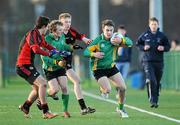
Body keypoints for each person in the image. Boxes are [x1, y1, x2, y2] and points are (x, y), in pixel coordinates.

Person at [84, 19, 132, 118]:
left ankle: (120, 108)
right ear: (103, 30)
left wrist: (122, 40)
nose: (109, 32)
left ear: (113, 30)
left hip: (111, 68)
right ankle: (103, 89)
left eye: (111, 30)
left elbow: (130, 43)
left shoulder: (116, 39)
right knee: (108, 90)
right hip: (98, 69)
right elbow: (85, 52)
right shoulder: (98, 40)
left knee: (123, 88)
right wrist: (94, 54)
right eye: (107, 30)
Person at [16, 16, 59, 119]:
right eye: (48, 27)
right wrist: (49, 54)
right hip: (23, 65)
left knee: (36, 90)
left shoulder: (39, 35)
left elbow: (45, 45)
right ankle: (46, 112)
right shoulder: (33, 34)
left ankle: (25, 107)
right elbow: (35, 49)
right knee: (43, 83)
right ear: (44, 26)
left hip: (28, 65)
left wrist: (56, 50)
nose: (48, 29)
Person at [58, 13, 96, 115]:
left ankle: (83, 108)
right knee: (55, 89)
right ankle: (40, 99)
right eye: (65, 22)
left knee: (77, 81)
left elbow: (80, 36)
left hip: (67, 63)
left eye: (69, 21)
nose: (68, 24)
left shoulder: (72, 31)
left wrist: (87, 40)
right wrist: (72, 47)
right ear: (60, 22)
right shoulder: (58, 33)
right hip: (57, 63)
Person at [39, 20, 72, 118]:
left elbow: (63, 45)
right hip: (49, 68)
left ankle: (65, 111)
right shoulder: (46, 39)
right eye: (60, 30)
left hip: (60, 67)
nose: (62, 31)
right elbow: (43, 57)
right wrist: (56, 62)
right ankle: (41, 98)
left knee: (65, 87)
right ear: (53, 31)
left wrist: (71, 47)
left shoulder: (61, 36)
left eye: (62, 29)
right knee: (54, 90)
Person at [136, 17, 170, 108]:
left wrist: (163, 48)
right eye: (152, 24)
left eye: (155, 24)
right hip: (147, 61)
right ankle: (153, 101)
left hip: (159, 62)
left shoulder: (162, 36)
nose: (154, 26)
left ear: (158, 25)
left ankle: (156, 98)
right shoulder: (145, 35)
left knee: (157, 82)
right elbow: (138, 44)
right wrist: (143, 48)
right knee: (152, 80)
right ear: (149, 25)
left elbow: (168, 46)